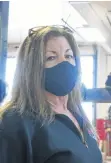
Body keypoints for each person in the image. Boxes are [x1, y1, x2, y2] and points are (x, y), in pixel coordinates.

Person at [0, 26, 102, 163]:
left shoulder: (77, 114)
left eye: (68, 56)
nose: (64, 63)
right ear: (32, 68)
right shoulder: (15, 121)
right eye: (51, 57)